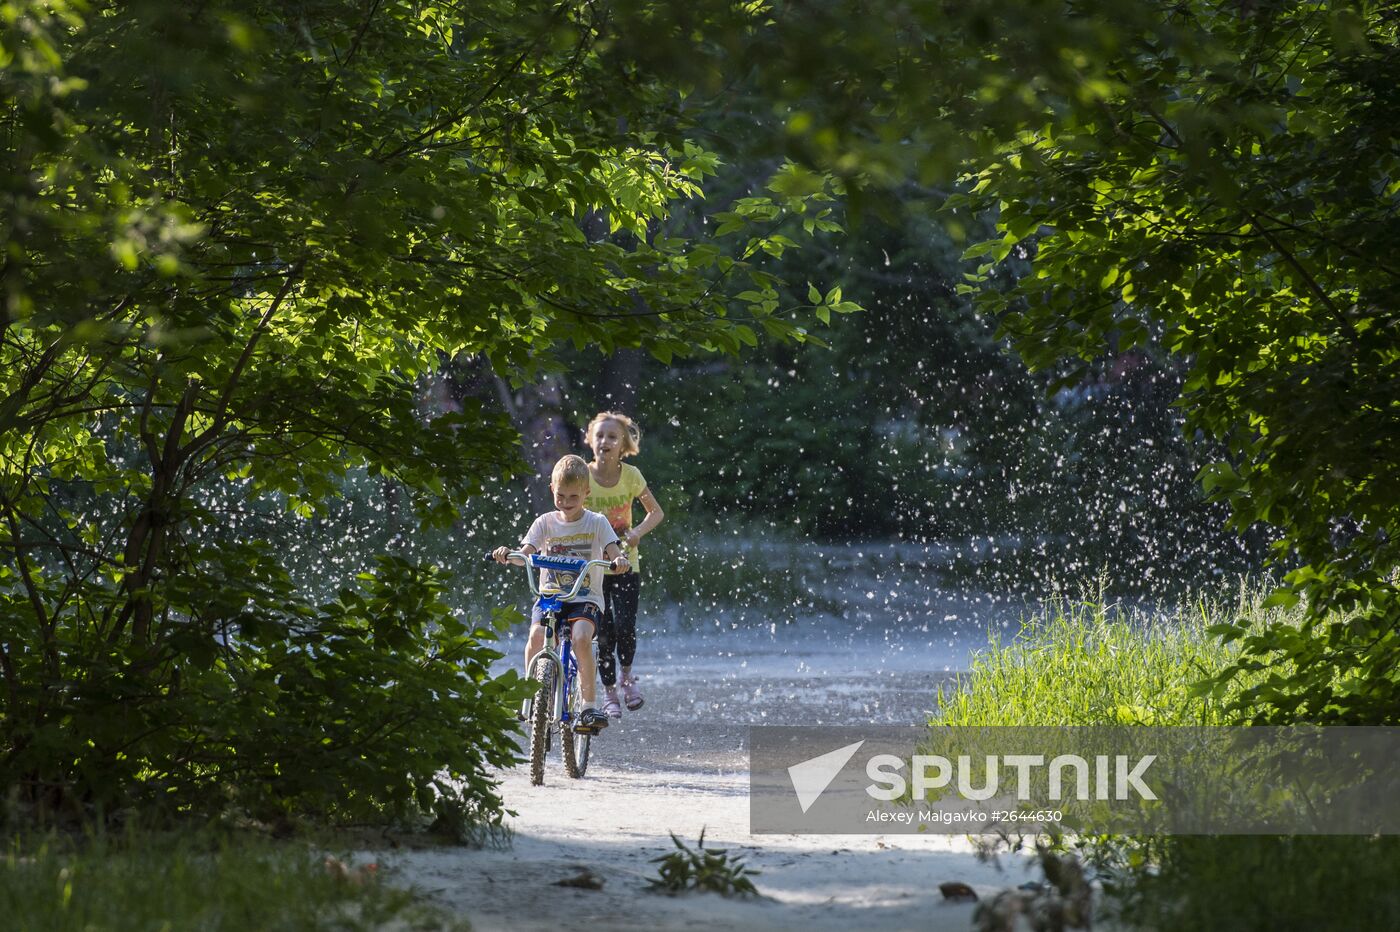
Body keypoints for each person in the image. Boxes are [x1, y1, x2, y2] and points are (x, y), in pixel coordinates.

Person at [493, 454, 629, 735]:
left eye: (573, 497)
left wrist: (620, 560)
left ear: (586, 494)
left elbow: (614, 552)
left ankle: (590, 705)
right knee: (536, 637)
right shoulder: (544, 523)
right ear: (551, 490)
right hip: (550, 597)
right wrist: (509, 555)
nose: (566, 503)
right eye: (560, 496)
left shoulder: (597, 522)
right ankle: (530, 694)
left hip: (585, 598)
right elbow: (526, 555)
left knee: (580, 637)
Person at [585, 411, 665, 719]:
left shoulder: (631, 476)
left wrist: (635, 533)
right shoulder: (583, 474)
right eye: (600, 435)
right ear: (590, 439)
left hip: (625, 564)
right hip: (592, 567)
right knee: (604, 632)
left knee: (626, 626)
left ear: (623, 445)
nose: (605, 441)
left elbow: (655, 513)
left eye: (612, 437)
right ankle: (608, 693)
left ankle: (628, 679)